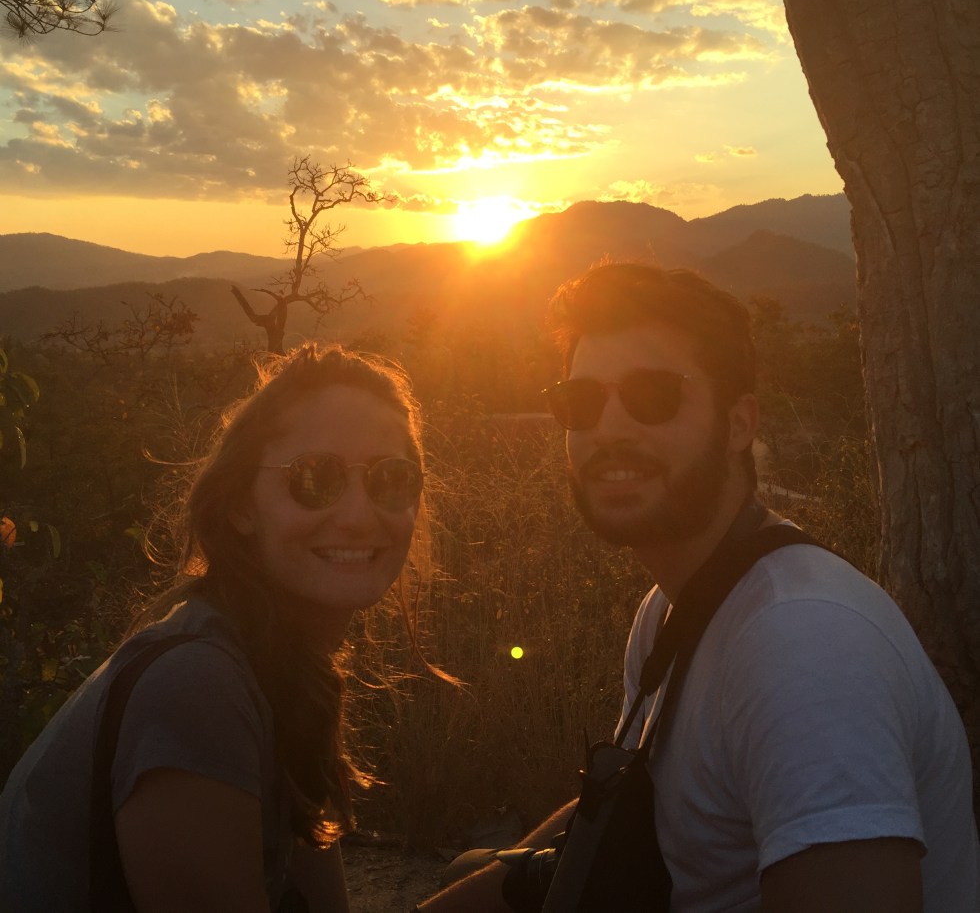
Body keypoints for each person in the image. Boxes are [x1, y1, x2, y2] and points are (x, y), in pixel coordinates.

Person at [419, 262, 978, 912]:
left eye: (654, 395)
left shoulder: (804, 642)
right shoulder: (669, 609)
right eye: (581, 402)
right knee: (468, 870)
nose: (610, 428)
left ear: (739, 424)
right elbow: (634, 804)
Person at [0, 343, 437, 912]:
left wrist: (513, 877)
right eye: (314, 478)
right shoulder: (195, 686)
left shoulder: (283, 670)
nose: (358, 515)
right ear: (241, 505)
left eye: (392, 479)